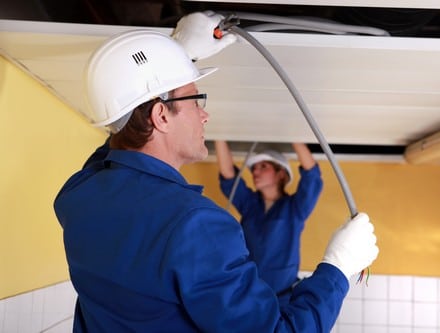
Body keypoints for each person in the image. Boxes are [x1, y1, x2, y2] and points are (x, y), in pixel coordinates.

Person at [53, 12, 379, 333]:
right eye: (196, 101)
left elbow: (118, 142)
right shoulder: (196, 225)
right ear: (161, 117)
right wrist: (338, 268)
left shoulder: (79, 195)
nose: (204, 114)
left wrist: (177, 57)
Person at [215, 140, 323, 305]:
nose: (255, 172)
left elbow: (312, 176)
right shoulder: (249, 205)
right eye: (254, 169)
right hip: (246, 294)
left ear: (281, 174)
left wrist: (294, 136)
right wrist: (218, 135)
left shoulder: (294, 208)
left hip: (281, 299)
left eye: (263, 166)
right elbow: (229, 176)